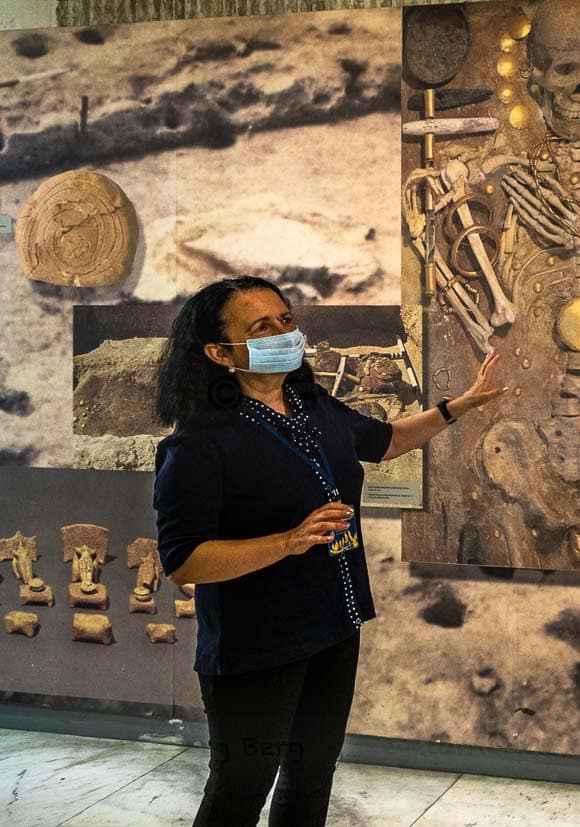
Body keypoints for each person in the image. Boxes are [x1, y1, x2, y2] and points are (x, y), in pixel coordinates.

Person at [152, 276, 503, 826]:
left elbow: (384, 442)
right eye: (261, 327)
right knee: (241, 790)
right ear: (220, 353)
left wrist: (458, 407)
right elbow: (184, 561)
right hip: (257, 644)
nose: (282, 333)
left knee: (312, 776)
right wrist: (288, 542)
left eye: (285, 320)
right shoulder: (200, 442)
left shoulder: (311, 403)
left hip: (334, 624)